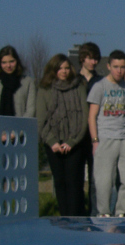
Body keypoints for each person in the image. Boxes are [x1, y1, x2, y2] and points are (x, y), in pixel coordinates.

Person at [36, 54, 88, 216]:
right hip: (53, 143)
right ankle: (64, 218)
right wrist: (52, 141)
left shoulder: (78, 85)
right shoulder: (44, 89)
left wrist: (72, 141)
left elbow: (84, 117)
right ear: (53, 70)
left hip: (74, 142)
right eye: (60, 68)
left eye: (66, 68)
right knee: (60, 182)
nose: (64, 71)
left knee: (74, 182)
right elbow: (41, 119)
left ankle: (75, 218)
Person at [87, 50, 125, 216]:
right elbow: (92, 116)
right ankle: (104, 213)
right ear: (109, 66)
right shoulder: (99, 87)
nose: (119, 71)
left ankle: (121, 212)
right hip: (105, 138)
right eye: (116, 67)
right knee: (104, 181)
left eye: (122, 67)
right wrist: (95, 141)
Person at [77, 42, 103, 216]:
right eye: (90, 58)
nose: (93, 62)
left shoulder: (100, 81)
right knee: (77, 178)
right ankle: (79, 214)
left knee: (96, 179)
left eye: (95, 59)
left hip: (96, 135)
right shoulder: (73, 80)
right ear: (82, 58)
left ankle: (95, 214)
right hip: (77, 135)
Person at [0, 45, 36, 118]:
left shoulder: (28, 82)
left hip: (21, 127)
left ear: (17, 61)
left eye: (11, 61)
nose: (8, 65)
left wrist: (21, 126)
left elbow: (31, 109)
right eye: (4, 62)